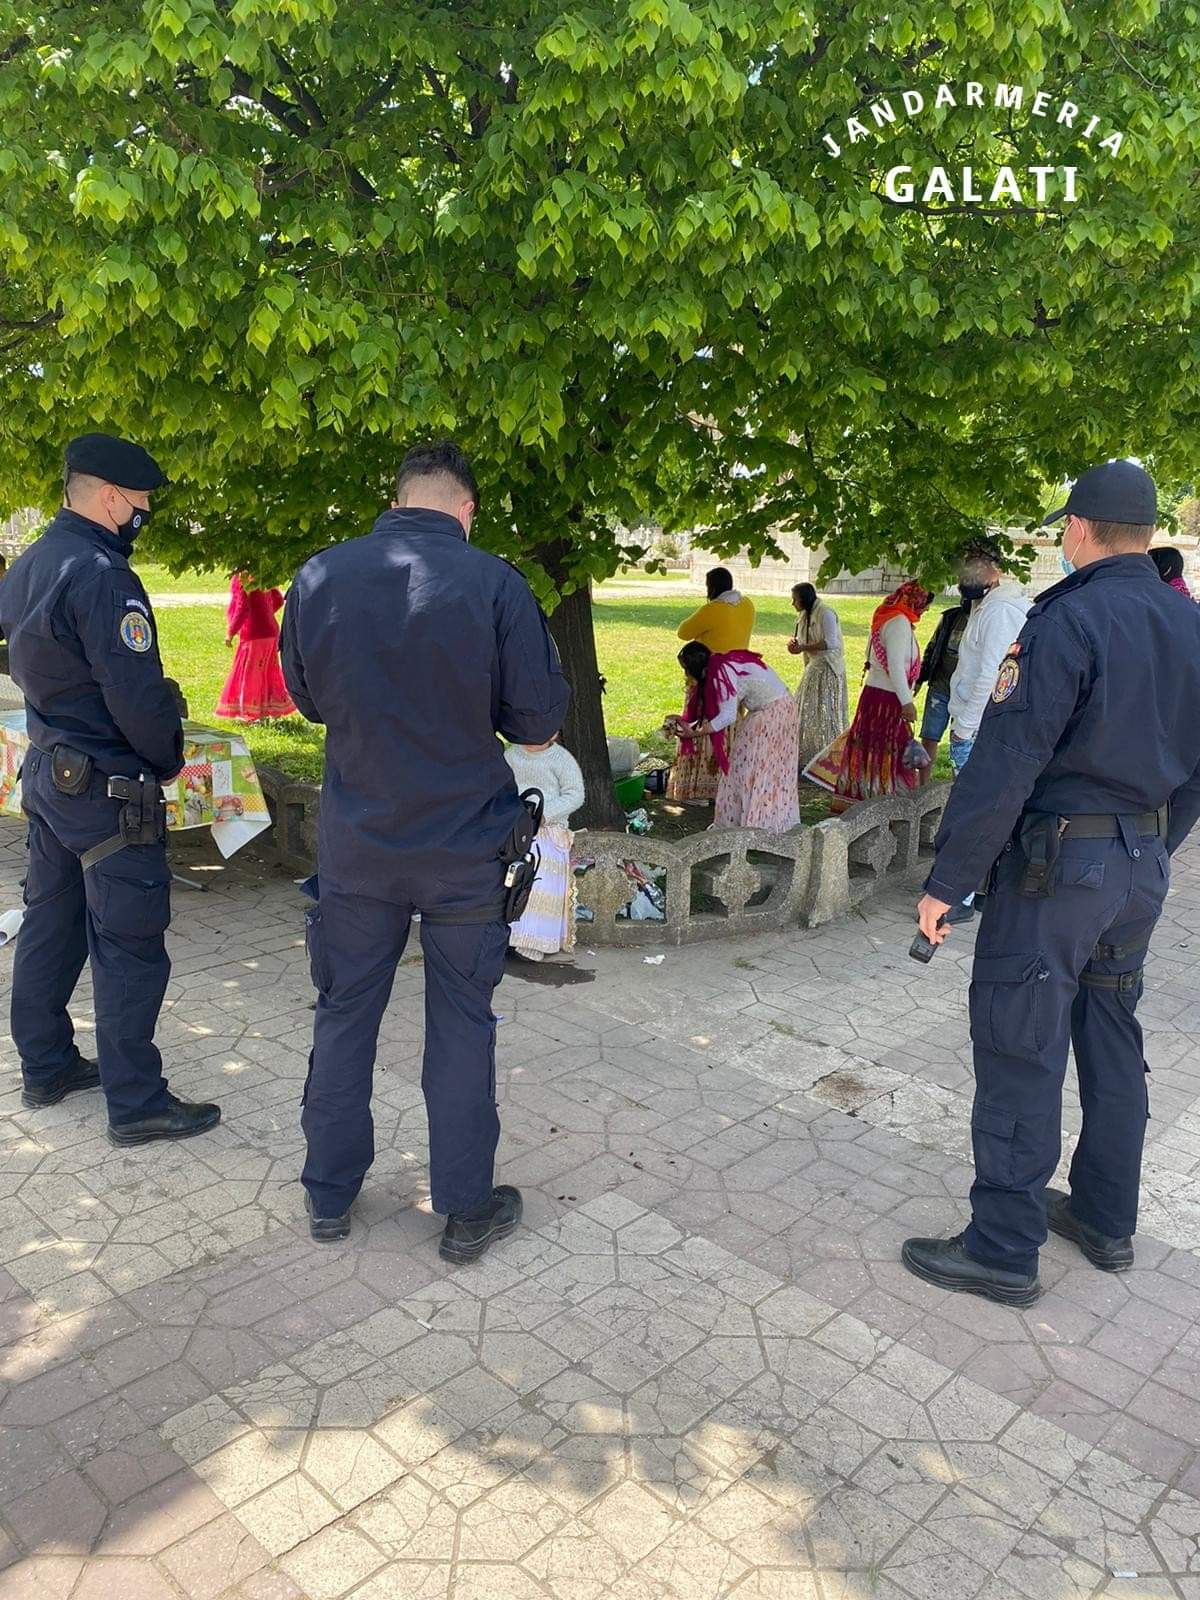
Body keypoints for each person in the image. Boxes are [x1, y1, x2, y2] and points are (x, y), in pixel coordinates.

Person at [903, 460, 1200, 1308]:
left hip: (1057, 873)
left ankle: (1002, 1246)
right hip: (1138, 868)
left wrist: (947, 884)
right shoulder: (1190, 626)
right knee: (1109, 1028)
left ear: (1077, 530)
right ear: (1145, 535)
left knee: (1019, 1042)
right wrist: (1152, 845)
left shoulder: (1068, 619)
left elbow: (1006, 763)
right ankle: (1105, 1218)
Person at [280, 441, 568, 1262]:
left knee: (342, 1018)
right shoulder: (496, 584)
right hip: (462, 852)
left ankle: (328, 1196)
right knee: (461, 1028)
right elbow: (540, 726)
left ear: (399, 498)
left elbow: (305, 698)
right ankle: (466, 1210)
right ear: (466, 510)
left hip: (359, 847)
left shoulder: (320, 576)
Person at [0, 434, 220, 1143]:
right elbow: (136, 697)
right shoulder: (102, 575)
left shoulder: (31, 563)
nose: (144, 515)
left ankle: (47, 1064)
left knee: (51, 925)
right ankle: (137, 1104)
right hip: (105, 790)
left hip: (50, 774)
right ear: (110, 497)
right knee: (129, 943)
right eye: (142, 504)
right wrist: (165, 757)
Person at [804, 580, 933, 806]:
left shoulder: (886, 617)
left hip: (876, 697)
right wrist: (906, 702)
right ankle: (884, 807)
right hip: (887, 700)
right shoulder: (898, 623)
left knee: (872, 753)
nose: (927, 609)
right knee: (887, 755)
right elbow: (894, 665)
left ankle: (865, 803)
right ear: (915, 600)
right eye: (925, 603)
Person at [667, 642, 800, 831]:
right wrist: (687, 722)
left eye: (686, 670)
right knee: (745, 766)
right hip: (772, 712)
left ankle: (759, 824)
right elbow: (716, 711)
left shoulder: (723, 672)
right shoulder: (720, 666)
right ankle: (749, 821)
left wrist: (695, 732)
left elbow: (727, 715)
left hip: (773, 714)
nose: (686, 675)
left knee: (754, 768)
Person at [666, 568, 755, 805]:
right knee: (729, 729)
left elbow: (683, 632)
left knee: (701, 726)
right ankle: (725, 784)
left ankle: (699, 789)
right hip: (737, 674)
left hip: (709, 673)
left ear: (711, 586)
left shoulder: (713, 609)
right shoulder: (748, 605)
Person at [503, 734, 585, 965]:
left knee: (540, 876)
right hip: (516, 826)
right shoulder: (511, 755)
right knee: (509, 876)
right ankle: (507, 935)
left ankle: (534, 941)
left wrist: (545, 814)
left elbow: (575, 795)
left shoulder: (561, 759)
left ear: (554, 732)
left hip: (549, 828)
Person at [215, 574, 296, 722]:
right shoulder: (262, 574)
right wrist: (265, 612)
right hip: (271, 631)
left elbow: (242, 607)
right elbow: (278, 600)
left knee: (250, 673)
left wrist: (230, 632)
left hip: (253, 633)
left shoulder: (242, 578)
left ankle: (250, 714)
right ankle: (270, 708)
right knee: (267, 671)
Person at [789, 582, 848, 772]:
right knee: (806, 711)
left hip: (828, 668)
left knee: (827, 714)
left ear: (804, 599)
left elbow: (831, 642)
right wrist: (795, 646)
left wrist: (803, 647)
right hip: (813, 668)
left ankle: (830, 758)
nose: (793, 603)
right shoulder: (803, 616)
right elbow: (801, 642)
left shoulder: (826, 613)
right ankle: (808, 755)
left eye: (795, 599)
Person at [916, 591, 972, 777]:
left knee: (962, 740)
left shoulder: (987, 620)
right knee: (929, 736)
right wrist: (920, 678)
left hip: (967, 694)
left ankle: (959, 785)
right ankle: (921, 788)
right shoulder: (950, 618)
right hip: (940, 686)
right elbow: (932, 649)